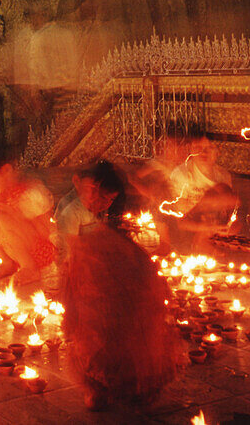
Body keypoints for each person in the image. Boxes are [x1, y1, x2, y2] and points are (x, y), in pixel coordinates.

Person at [62, 169, 183, 410]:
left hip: (115, 348)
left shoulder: (89, 255)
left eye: (104, 197)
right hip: (148, 359)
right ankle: (140, 388)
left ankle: (101, 389)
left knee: (91, 333)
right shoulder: (131, 252)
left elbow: (76, 312)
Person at [0, 145, 55, 282]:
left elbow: (47, 232)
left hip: (42, 253)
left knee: (0, 219)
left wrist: (16, 217)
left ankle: (30, 268)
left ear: (6, 171)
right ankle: (8, 263)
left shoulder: (30, 193)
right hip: (19, 251)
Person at [55, 160, 126, 257]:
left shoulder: (100, 207)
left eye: (111, 200)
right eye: (91, 188)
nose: (106, 203)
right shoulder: (71, 211)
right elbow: (68, 251)